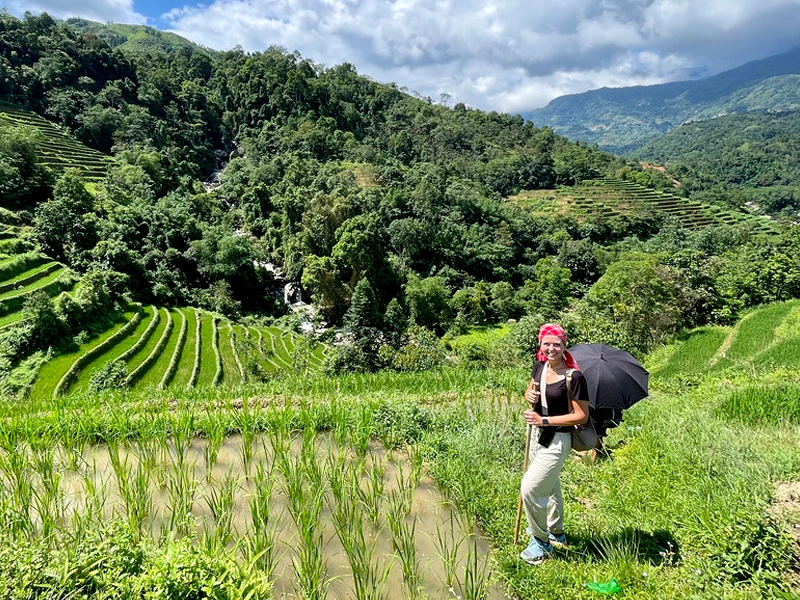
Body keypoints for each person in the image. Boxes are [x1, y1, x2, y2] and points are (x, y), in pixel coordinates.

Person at [519, 323, 589, 565]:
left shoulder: (574, 376)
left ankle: (541, 542)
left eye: (556, 344)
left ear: (564, 345)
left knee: (530, 488)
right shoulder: (540, 366)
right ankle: (556, 531)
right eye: (546, 343)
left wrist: (544, 419)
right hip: (538, 436)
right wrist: (528, 396)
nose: (551, 348)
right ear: (540, 345)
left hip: (559, 438)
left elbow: (581, 416)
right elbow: (531, 390)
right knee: (550, 485)